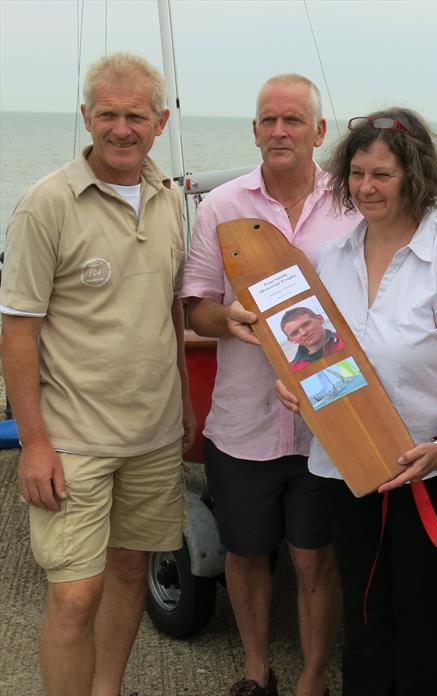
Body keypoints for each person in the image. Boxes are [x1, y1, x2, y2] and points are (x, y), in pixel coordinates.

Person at [271, 108, 437, 695]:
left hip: (433, 467)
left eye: (383, 175)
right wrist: (296, 383)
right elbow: (313, 350)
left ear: (415, 176)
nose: (366, 187)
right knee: (363, 603)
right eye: (358, 174)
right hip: (350, 459)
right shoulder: (329, 259)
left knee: (419, 604)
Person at [0, 53, 194, 696]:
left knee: (129, 572)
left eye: (135, 115)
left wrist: (186, 405)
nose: (120, 128)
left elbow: (168, 308)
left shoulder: (171, 198)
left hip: (153, 434)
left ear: (159, 121)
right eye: (107, 114)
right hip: (73, 438)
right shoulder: (45, 204)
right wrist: (33, 443)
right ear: (86, 116)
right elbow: (18, 331)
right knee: (75, 595)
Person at [180, 73, 356, 696]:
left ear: (319, 130)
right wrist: (222, 320)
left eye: (293, 120)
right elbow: (194, 305)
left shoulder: (353, 203)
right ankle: (257, 671)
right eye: (268, 121)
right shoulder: (221, 205)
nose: (280, 131)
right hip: (244, 419)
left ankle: (311, 678)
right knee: (246, 551)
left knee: (314, 557)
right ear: (254, 131)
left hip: (330, 421)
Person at [280, 306, 344, 371]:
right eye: (295, 332)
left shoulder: (349, 337)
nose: (303, 333)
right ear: (291, 340)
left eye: (306, 324)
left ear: (320, 319)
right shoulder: (293, 371)